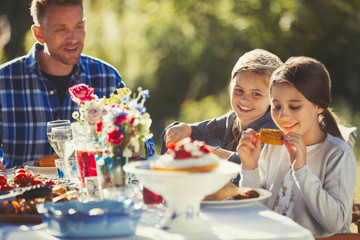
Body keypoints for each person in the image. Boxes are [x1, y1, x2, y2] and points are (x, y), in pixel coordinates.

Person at [0, 0, 154, 170]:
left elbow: (142, 140)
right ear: (39, 34)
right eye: (61, 29)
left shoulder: (107, 77)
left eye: (78, 27)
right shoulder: (4, 81)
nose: (73, 38)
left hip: (92, 193)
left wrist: (134, 145)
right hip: (22, 194)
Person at [237, 56, 357, 237]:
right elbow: (253, 210)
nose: (283, 116)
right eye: (276, 106)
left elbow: (335, 223)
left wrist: (301, 170)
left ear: (318, 106)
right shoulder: (272, 147)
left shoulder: (337, 153)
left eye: (294, 106)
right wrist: (249, 167)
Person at [160, 49, 282, 184]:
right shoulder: (231, 120)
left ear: (273, 98)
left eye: (256, 94)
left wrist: (210, 152)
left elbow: (249, 167)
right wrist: (182, 130)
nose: (244, 99)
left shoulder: (274, 130)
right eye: (239, 90)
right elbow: (196, 133)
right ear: (230, 87)